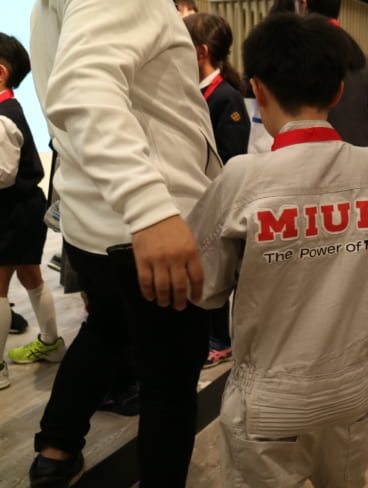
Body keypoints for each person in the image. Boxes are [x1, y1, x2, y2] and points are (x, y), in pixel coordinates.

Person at [187, 13, 368, 486]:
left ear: (258, 90)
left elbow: (201, 289)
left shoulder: (244, 178)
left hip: (269, 405)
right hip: (355, 394)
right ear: (338, 92)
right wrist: (367, 273)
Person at [29, 1, 221, 486]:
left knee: (107, 330)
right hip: (151, 226)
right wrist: (149, 207)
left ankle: (56, 447)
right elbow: (83, 86)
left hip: (94, 220)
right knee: (170, 383)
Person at [183, 12, 250, 368]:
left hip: (217, 202)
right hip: (196, 202)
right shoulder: (194, 92)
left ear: (201, 52)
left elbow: (231, 158)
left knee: (216, 272)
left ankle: (220, 341)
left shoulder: (226, 98)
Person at [0, 33, 65, 391]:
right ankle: (51, 342)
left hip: (12, 212)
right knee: (30, 276)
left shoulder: (3, 118)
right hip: (23, 209)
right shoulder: (9, 111)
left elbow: (3, 175)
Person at [300, 0, 368, 147]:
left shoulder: (302, 52)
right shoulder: (360, 55)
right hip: (360, 151)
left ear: (305, 4)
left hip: (320, 153)